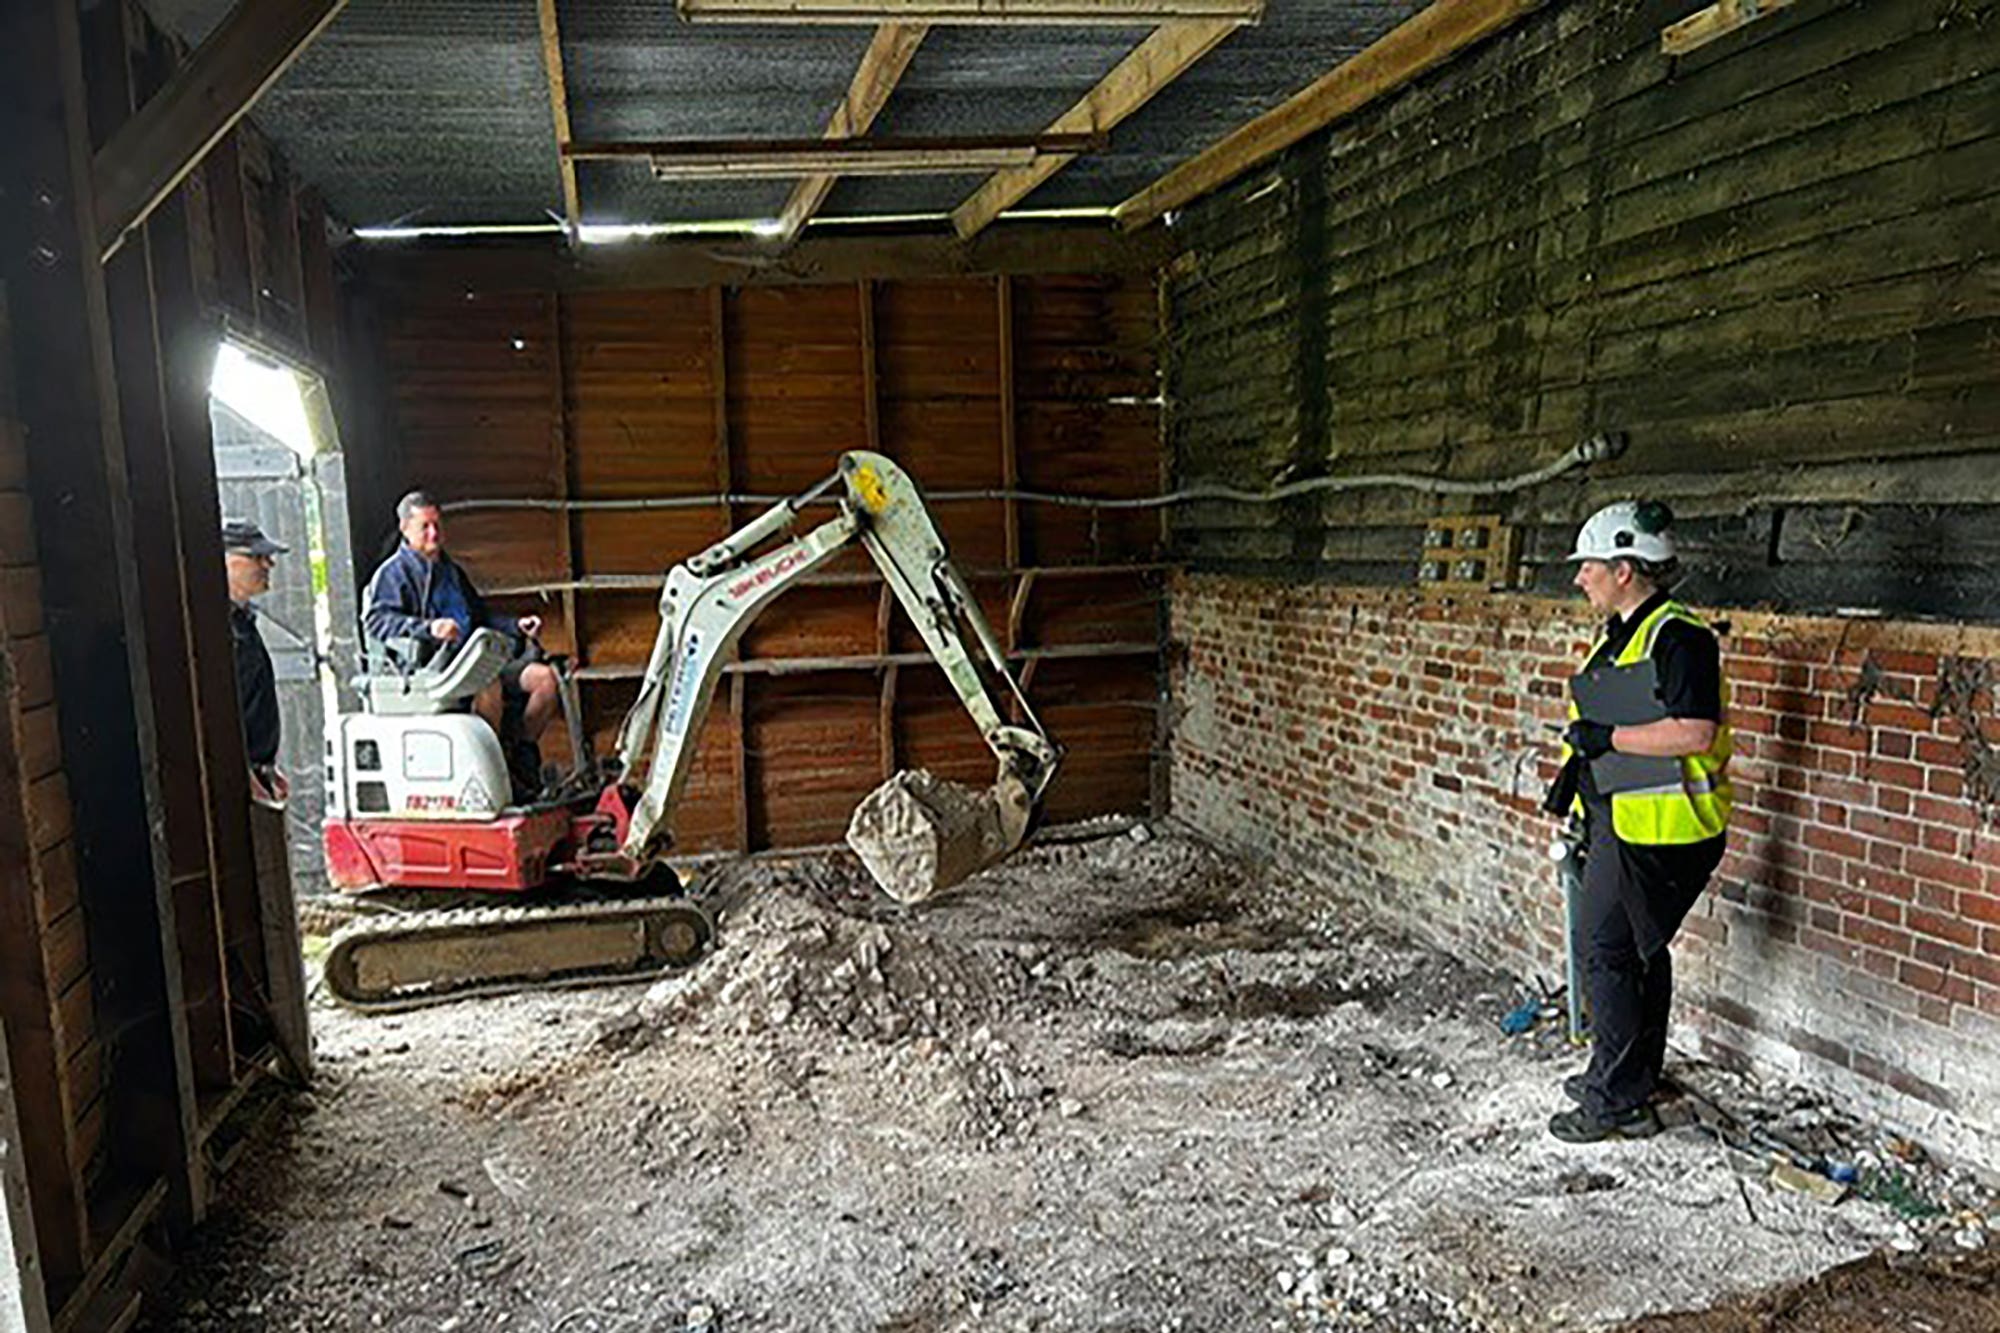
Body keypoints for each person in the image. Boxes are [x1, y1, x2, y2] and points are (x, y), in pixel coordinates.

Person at [1548, 499, 1732, 1144]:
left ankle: (1616, 1099)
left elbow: (1693, 731)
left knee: (1609, 953)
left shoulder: (1680, 638)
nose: (1579, 579)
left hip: (1661, 830)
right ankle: (1632, 1074)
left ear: (1624, 569)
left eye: (1589, 566)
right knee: (1638, 951)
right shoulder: (1622, 631)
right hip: (1620, 819)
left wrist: (1611, 736)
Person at [363, 489, 560, 799]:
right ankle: (495, 773)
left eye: (437, 524)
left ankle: (520, 759)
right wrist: (429, 629)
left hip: (475, 660)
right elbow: (376, 622)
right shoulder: (392, 574)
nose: (434, 533)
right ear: (404, 528)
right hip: (434, 670)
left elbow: (479, 619)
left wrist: (515, 626)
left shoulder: (450, 571)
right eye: (424, 526)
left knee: (546, 680)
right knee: (489, 685)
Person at [224, 517, 291, 806]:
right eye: (256, 557)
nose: (268, 565)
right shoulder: (217, 630)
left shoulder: (242, 620)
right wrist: (243, 773)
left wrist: (266, 768)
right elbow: (221, 712)